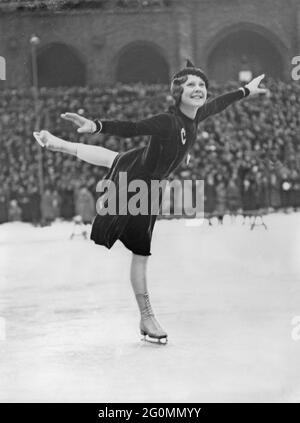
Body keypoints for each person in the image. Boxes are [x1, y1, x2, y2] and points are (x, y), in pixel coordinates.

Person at [33, 60, 267, 344]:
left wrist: (245, 91)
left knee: (113, 158)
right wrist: (95, 124)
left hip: (144, 172)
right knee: (141, 251)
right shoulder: (168, 121)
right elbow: (132, 127)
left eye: (202, 85)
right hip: (138, 184)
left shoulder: (193, 117)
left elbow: (219, 104)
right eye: (191, 85)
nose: (199, 89)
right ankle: (146, 316)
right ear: (177, 93)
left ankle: (60, 145)